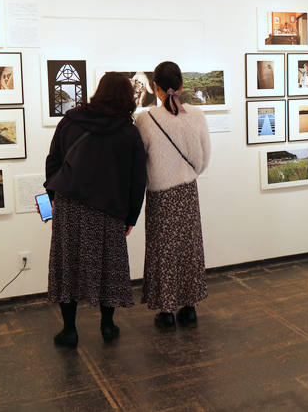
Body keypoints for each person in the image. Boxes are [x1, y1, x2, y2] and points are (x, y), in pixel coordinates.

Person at [44, 72, 147, 347]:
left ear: (98, 91)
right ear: (128, 96)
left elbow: (54, 159)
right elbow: (138, 179)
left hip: (70, 205)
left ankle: (69, 330)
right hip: (109, 209)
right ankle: (107, 325)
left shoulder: (71, 120)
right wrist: (131, 216)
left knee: (69, 264)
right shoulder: (128, 132)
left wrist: (53, 195)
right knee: (109, 266)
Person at [135, 61, 211, 330]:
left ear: (155, 87)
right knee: (189, 249)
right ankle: (189, 309)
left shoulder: (145, 119)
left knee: (163, 251)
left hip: (160, 195)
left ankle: (167, 311)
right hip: (188, 192)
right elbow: (203, 160)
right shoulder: (197, 116)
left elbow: (140, 160)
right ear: (181, 85)